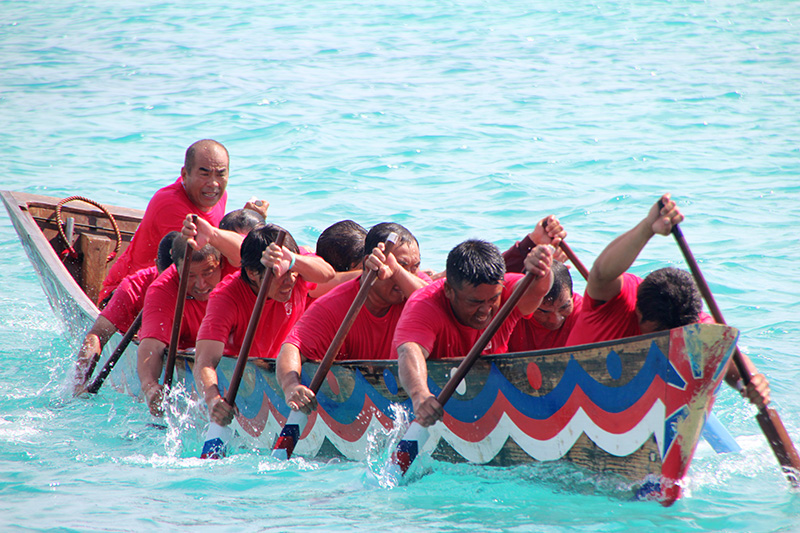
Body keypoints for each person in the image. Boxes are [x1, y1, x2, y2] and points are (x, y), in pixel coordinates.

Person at [564, 193, 770, 408]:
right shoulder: (618, 300)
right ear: (638, 311)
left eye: (673, 336)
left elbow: (723, 350)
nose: (666, 343)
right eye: (658, 333)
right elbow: (599, 274)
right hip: (573, 400)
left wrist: (751, 382)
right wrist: (647, 228)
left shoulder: (688, 321)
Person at [394, 239, 555, 427]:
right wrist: (420, 395)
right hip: (420, 398)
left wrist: (542, 270)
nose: (486, 310)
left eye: (493, 299)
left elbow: (538, 290)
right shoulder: (424, 304)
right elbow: (409, 350)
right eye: (475, 302)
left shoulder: (507, 290)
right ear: (448, 291)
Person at [276, 222, 429, 414]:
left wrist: (398, 272)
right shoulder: (334, 305)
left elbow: (435, 306)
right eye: (401, 265)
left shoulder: (414, 285)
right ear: (368, 263)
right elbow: (292, 347)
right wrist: (291, 386)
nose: (409, 274)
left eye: (414, 267)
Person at [193, 224, 335, 427]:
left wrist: (293, 262)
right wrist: (213, 399)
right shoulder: (226, 298)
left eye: (292, 271)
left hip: (287, 369)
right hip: (246, 379)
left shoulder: (295, 265)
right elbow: (204, 361)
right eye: (281, 274)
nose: (290, 280)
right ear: (251, 272)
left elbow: (328, 274)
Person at [99, 139, 269, 303]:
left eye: (220, 174)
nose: (213, 183)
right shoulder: (170, 204)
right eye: (204, 174)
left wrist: (250, 221)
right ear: (185, 175)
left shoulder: (217, 196)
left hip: (191, 289)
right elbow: (206, 259)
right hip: (129, 297)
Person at [72, 231, 179, 395]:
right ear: (157, 265)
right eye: (167, 277)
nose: (171, 285)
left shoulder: (203, 286)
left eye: (176, 279)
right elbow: (98, 335)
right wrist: (80, 382)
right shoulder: (134, 287)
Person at [137, 236, 225, 416]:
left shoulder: (234, 276)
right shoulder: (163, 289)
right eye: (190, 275)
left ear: (221, 263)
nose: (201, 285)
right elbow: (152, 345)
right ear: (176, 269)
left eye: (208, 272)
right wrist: (150, 386)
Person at [502, 216, 582, 351]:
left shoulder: (583, 312)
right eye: (544, 311)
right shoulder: (516, 310)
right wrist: (532, 241)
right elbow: (489, 282)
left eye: (564, 307)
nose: (555, 320)